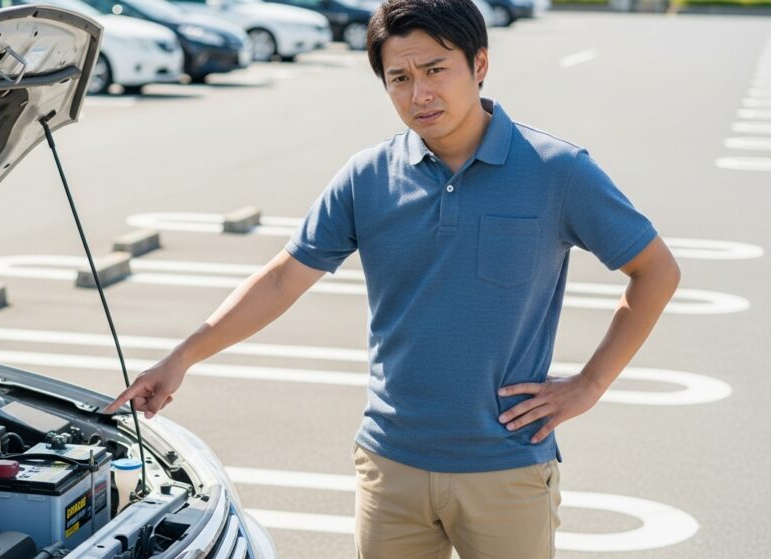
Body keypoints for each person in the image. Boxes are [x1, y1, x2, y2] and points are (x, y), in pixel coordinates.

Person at [103, 0, 681, 556]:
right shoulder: (368, 177)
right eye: (398, 78)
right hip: (391, 466)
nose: (419, 93)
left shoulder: (558, 171)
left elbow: (655, 271)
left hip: (505, 468)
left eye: (435, 70)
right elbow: (282, 280)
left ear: (479, 64)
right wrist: (181, 358)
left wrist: (591, 384)